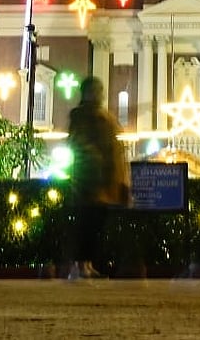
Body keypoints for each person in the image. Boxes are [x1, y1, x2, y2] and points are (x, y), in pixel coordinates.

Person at [65, 77, 130, 280]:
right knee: (85, 223)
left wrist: (119, 176)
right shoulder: (81, 115)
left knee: (96, 224)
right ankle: (79, 266)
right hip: (88, 179)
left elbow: (114, 147)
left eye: (100, 90)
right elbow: (77, 143)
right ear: (85, 93)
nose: (99, 94)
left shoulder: (105, 117)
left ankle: (88, 265)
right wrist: (94, 162)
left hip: (105, 180)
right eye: (95, 90)